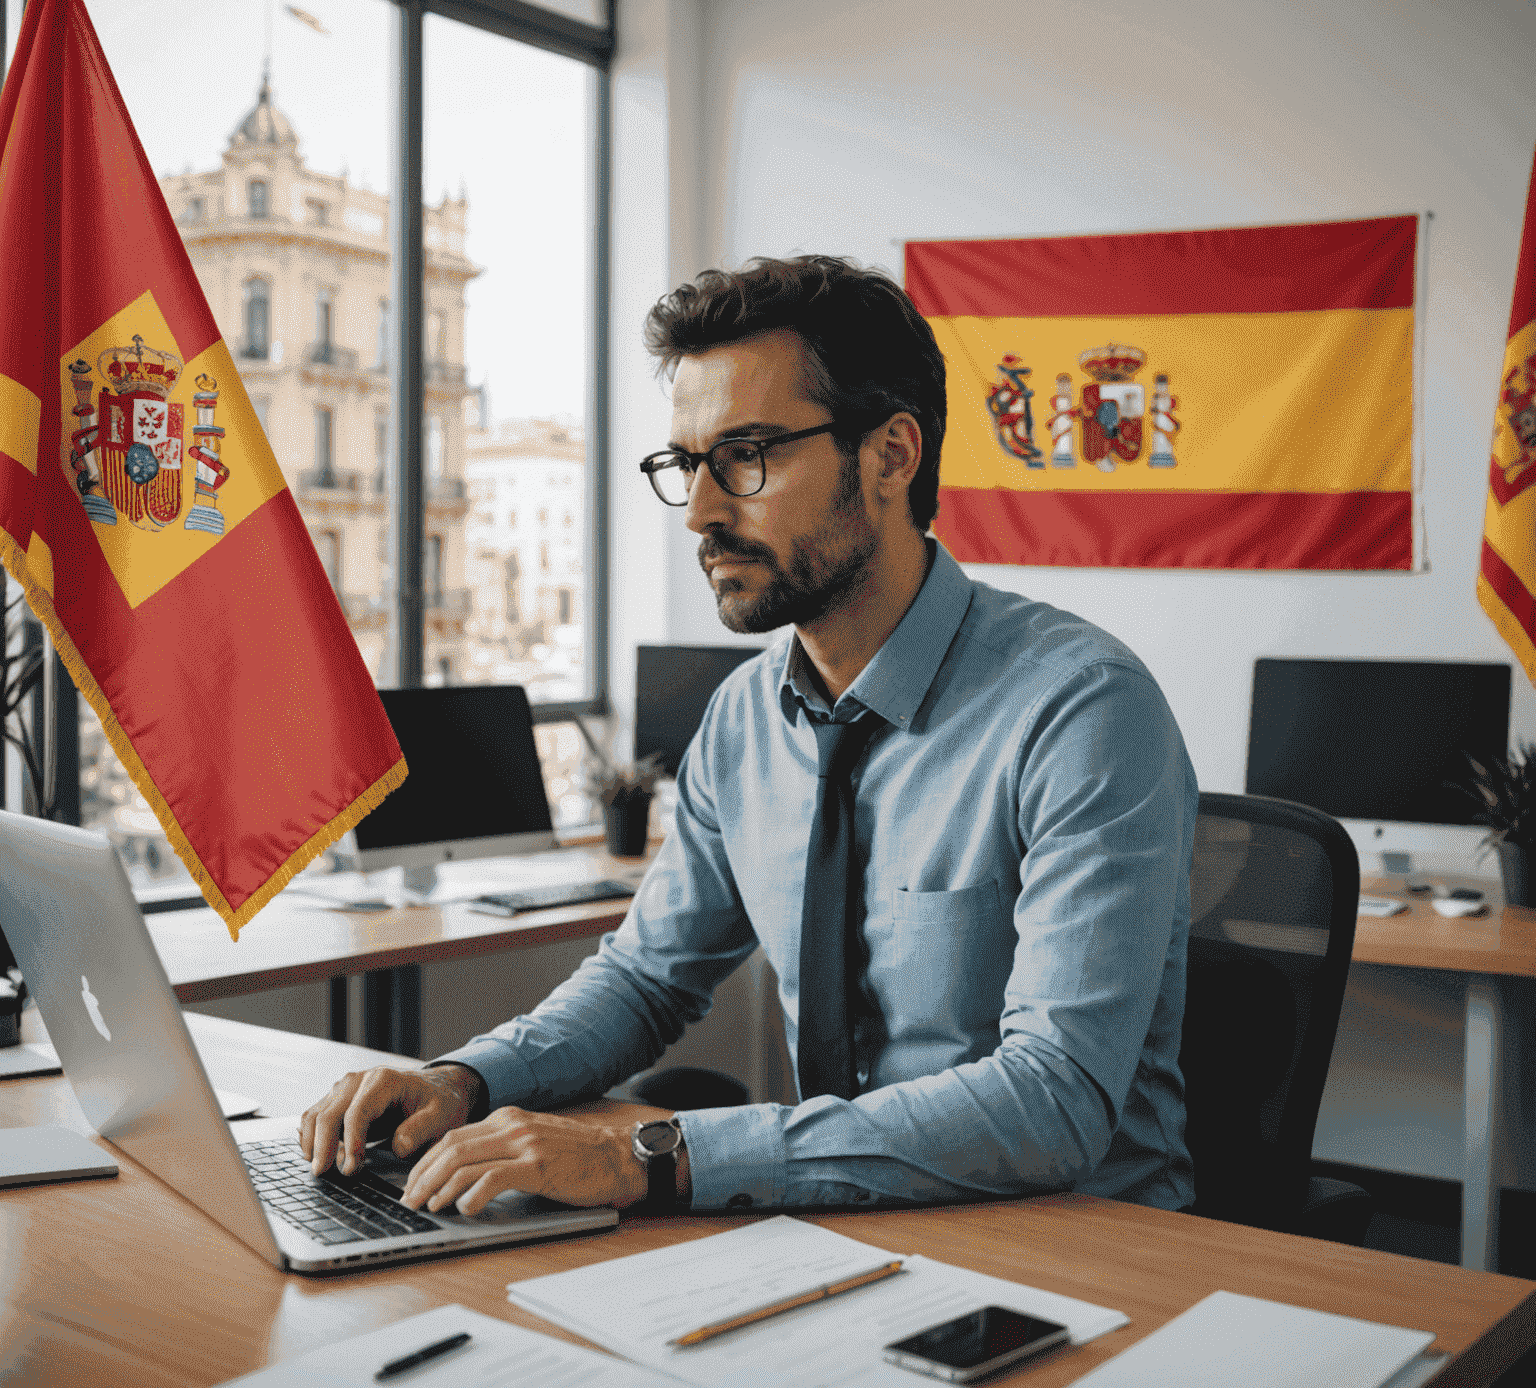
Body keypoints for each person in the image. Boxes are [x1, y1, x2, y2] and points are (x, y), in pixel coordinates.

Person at [299, 255, 1198, 1219]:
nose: (701, 513)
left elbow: (1053, 1101)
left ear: (891, 455)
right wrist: (465, 1081)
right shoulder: (743, 715)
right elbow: (648, 978)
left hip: (1085, 1248)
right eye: (687, 464)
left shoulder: (1080, 709)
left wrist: (653, 1153)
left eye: (748, 456)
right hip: (839, 1224)